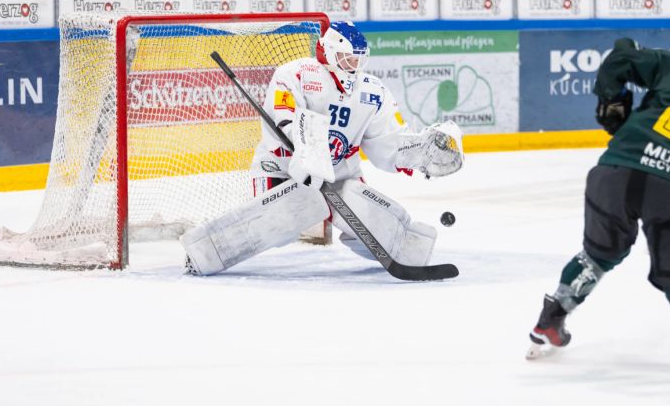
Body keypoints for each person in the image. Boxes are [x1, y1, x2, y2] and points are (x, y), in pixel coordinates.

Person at [526, 28, 670, 381]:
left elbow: (621, 54)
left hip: (616, 171)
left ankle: (550, 321)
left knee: (597, 256)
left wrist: (612, 103)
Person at [179, 21, 465, 276]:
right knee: (294, 209)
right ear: (328, 52)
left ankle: (404, 247)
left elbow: (387, 143)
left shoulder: (372, 91)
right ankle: (204, 251)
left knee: (362, 209)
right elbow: (285, 117)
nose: (353, 67)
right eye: (346, 58)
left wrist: (421, 152)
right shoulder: (296, 74)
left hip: (339, 174)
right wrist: (308, 156)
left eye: (358, 60)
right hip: (282, 168)